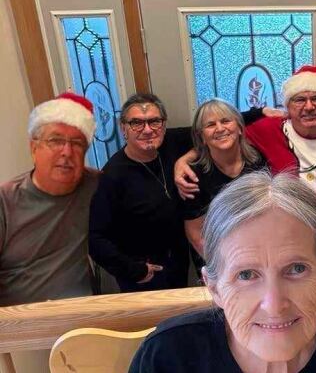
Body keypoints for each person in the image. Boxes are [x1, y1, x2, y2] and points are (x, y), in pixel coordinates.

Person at [129, 171, 316, 372]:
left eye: (296, 269)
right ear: (214, 286)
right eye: (245, 275)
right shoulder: (169, 357)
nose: (274, 305)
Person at [175, 65, 316, 216]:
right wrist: (184, 160)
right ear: (288, 106)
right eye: (299, 100)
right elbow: (224, 134)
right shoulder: (269, 129)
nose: (309, 107)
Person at [0, 92, 98, 307]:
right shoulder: (5, 202)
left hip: (84, 317)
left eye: (77, 143)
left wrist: (183, 162)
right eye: (55, 140)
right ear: (34, 148)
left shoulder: (95, 185)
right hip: (21, 324)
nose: (67, 151)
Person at [89, 94, 193, 292]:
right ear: (123, 129)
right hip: (143, 275)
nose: (147, 130)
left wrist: (261, 113)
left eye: (154, 121)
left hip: (179, 265)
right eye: (136, 123)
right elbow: (95, 238)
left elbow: (212, 128)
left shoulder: (171, 144)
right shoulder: (112, 176)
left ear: (163, 125)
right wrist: (132, 270)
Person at [181, 99, 267, 261]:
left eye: (226, 121)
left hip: (259, 251)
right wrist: (224, 265)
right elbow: (195, 234)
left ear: (240, 128)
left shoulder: (258, 161)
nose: (220, 129)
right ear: (202, 138)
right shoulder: (192, 176)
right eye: (210, 125)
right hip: (216, 257)